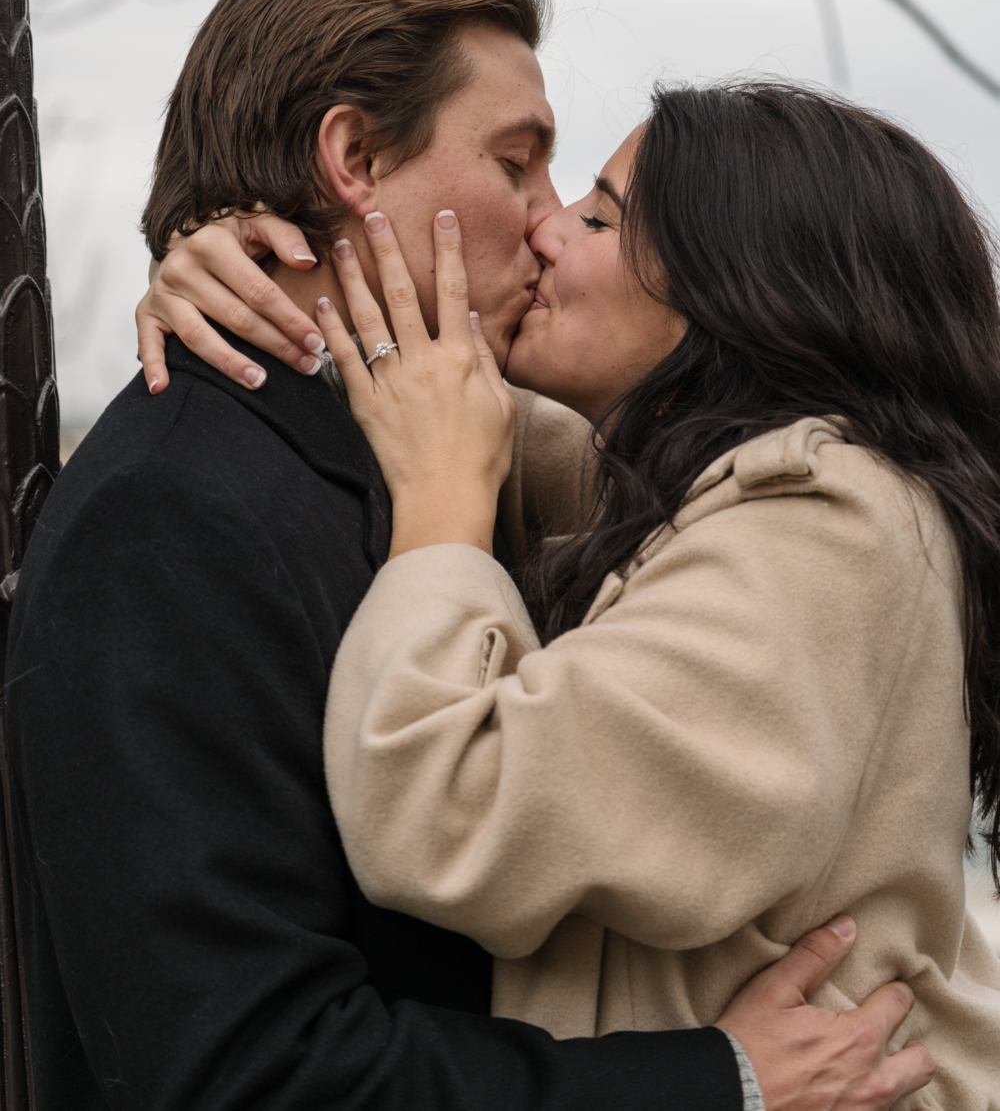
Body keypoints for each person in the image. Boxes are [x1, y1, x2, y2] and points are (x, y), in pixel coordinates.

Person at [4, 0, 929, 1111]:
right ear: (352, 157)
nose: (547, 225)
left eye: (579, 201)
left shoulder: (435, 458)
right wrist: (717, 1081)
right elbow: (235, 1069)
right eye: (518, 164)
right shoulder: (173, 513)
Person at [140, 79, 1000, 1104]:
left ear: (743, 284)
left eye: (597, 215)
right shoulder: (728, 499)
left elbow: (452, 813)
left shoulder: (819, 526)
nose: (546, 228)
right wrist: (251, 276)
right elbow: (442, 395)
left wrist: (443, 505)